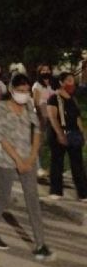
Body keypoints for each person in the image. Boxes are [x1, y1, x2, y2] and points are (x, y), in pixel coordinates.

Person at [0, 74, 54, 260]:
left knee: (33, 201)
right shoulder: (0, 108)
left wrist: (31, 158)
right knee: (3, 198)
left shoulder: (29, 106)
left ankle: (41, 244)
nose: (24, 95)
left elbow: (37, 130)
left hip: (28, 160)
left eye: (26, 91)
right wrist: (18, 160)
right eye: (20, 91)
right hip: (7, 161)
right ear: (12, 90)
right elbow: (1, 137)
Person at [46, 72, 87, 201]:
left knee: (78, 164)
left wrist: (83, 133)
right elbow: (52, 117)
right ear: (61, 83)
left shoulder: (72, 99)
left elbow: (77, 118)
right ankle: (56, 191)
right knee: (57, 162)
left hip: (73, 134)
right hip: (59, 134)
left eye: (73, 81)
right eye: (69, 81)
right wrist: (59, 134)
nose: (72, 83)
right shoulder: (53, 98)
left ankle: (83, 193)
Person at [32, 64, 54, 177]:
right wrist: (41, 117)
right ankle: (37, 167)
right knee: (38, 143)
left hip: (52, 118)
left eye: (48, 69)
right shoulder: (37, 85)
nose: (46, 72)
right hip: (41, 117)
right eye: (43, 70)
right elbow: (36, 103)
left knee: (49, 143)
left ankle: (49, 168)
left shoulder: (51, 85)